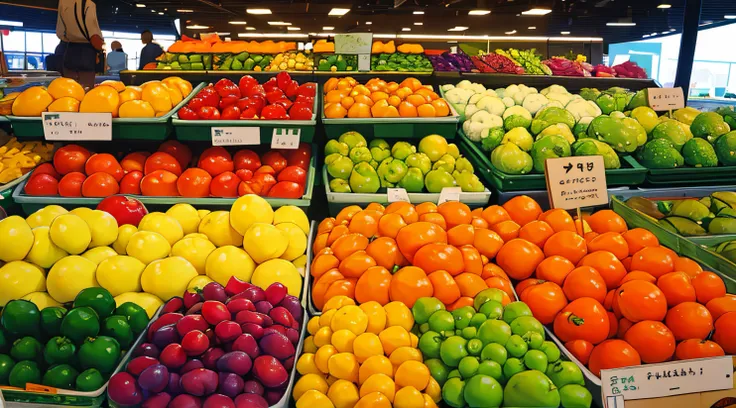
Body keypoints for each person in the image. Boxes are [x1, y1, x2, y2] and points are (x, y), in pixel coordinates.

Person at [55, 0, 104, 88]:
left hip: (70, 49)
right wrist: (100, 49)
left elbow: (60, 32)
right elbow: (93, 34)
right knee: (86, 88)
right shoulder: (89, 3)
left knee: (70, 88)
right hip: (87, 51)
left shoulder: (62, 2)